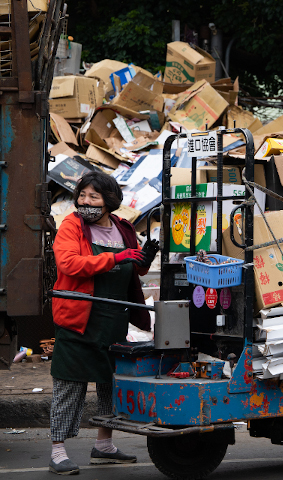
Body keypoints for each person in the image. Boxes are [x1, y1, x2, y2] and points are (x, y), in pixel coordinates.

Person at [49, 172, 157, 475]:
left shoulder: (123, 228)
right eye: (82, 195)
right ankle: (58, 451)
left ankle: (104, 446)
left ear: (109, 201)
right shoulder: (71, 226)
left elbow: (134, 267)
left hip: (114, 319)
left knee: (110, 384)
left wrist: (144, 258)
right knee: (69, 384)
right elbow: (69, 264)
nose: (85, 202)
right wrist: (117, 258)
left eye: (93, 197)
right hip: (78, 318)